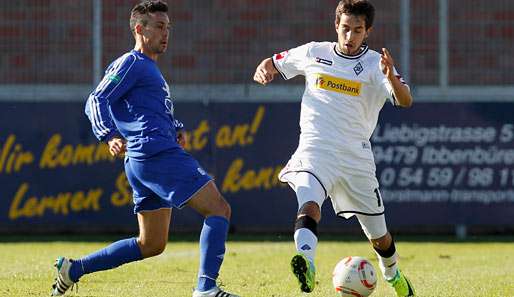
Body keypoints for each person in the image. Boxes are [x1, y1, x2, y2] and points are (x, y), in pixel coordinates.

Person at [51, 1, 240, 297]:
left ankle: (73, 269)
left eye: (169, 28)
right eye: (160, 27)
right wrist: (108, 134)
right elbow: (96, 99)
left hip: (147, 157)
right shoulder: (131, 63)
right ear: (140, 29)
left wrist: (175, 126)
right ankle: (206, 288)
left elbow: (147, 110)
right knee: (219, 208)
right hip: (154, 155)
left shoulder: (148, 69)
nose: (167, 34)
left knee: (151, 244)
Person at [253, 0, 415, 296]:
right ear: (336, 26)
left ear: (367, 32)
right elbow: (273, 62)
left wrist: (390, 75)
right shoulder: (315, 52)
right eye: (345, 28)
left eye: (357, 30)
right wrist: (265, 69)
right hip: (315, 150)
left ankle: (392, 274)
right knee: (310, 205)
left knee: (379, 238)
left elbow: (405, 100)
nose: (350, 36)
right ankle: (306, 260)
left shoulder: (376, 64)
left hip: (356, 158)